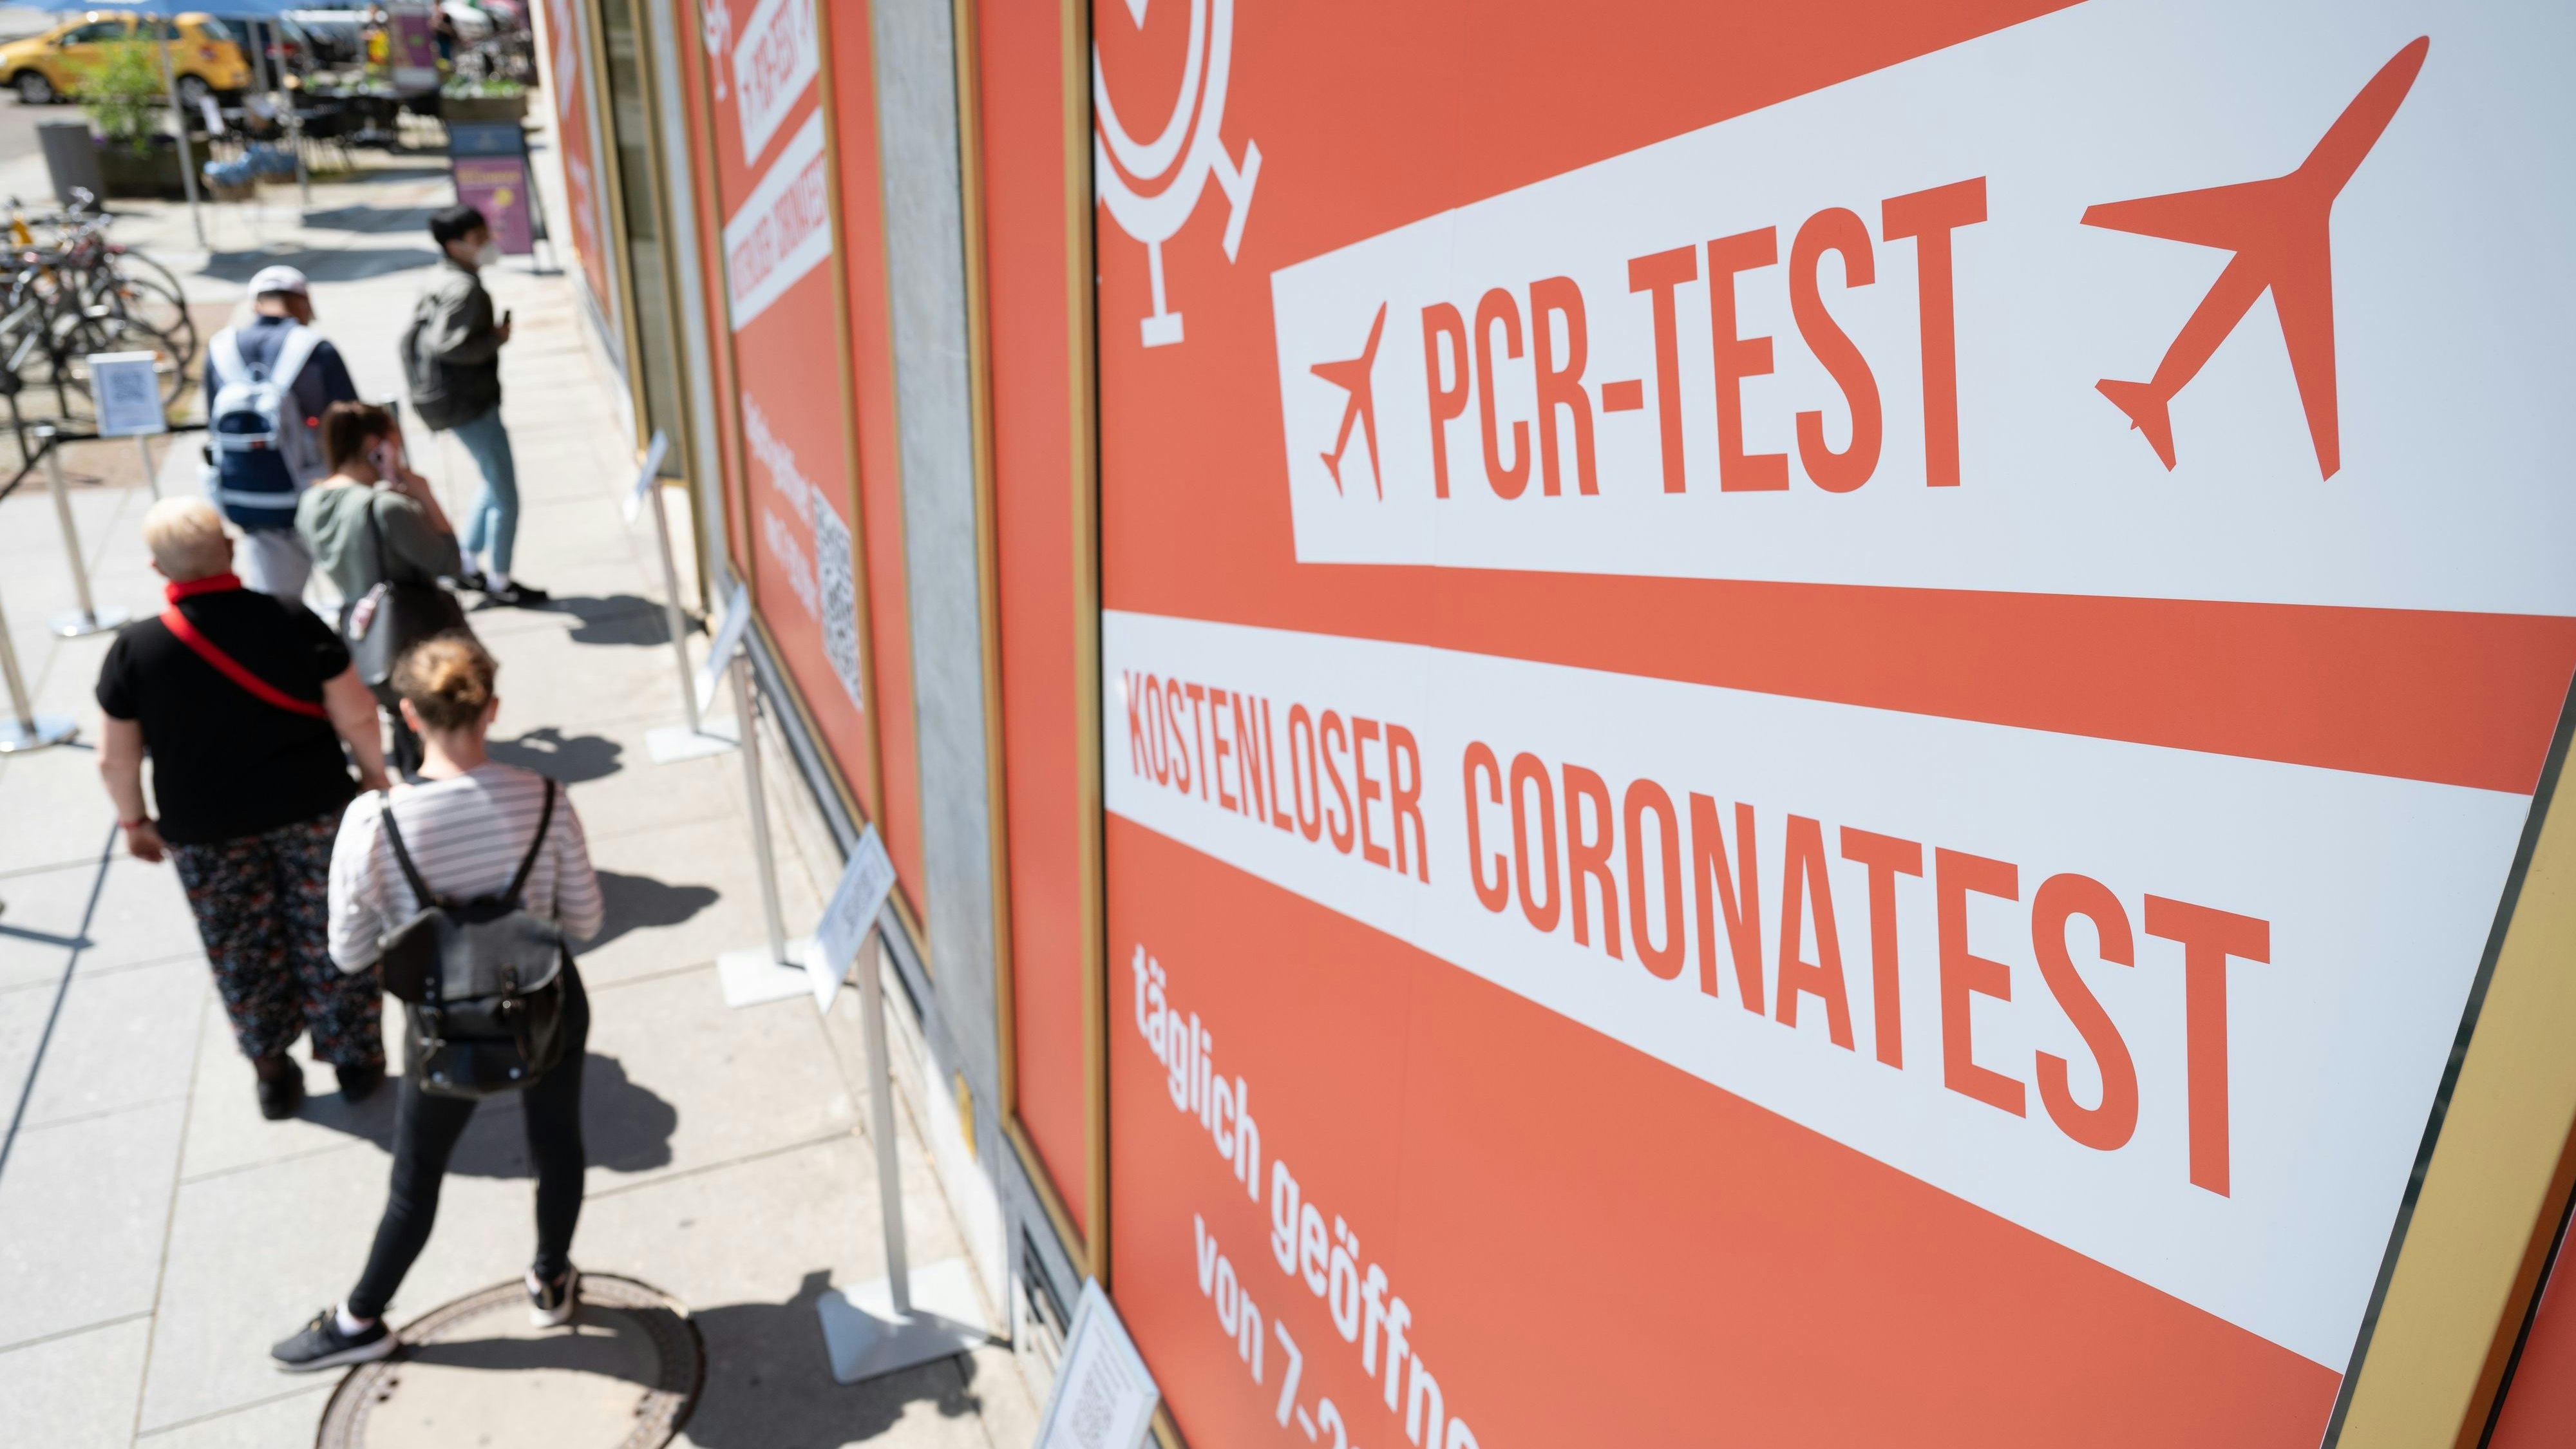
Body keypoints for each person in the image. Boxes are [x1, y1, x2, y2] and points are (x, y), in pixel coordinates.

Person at [270, 633, 602, 1370]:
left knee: (416, 1180)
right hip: (544, 1008)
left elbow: (349, 954)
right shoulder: (544, 799)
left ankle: (360, 1320)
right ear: (493, 709)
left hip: (443, 1026)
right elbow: (584, 920)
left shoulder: (373, 824)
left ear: (409, 717)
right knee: (558, 1148)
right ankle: (552, 1277)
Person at [95, 498, 392, 1119]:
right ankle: (355, 1058)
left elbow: (116, 759)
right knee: (332, 929)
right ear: (229, 549)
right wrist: (373, 774)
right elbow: (357, 711)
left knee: (239, 947)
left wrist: (134, 821)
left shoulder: (135, 650)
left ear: (158, 568)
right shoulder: (289, 617)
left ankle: (271, 1071)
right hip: (314, 808)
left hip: (206, 830)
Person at [298, 401, 464, 777]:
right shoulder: (387, 507)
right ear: (377, 444)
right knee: (430, 739)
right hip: (411, 635)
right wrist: (422, 493)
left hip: (363, 636)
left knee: (403, 723)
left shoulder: (311, 501)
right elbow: (450, 562)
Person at [404, 204, 547, 607]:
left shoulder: (440, 278)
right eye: (479, 239)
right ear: (455, 245)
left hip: (456, 404)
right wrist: (495, 340)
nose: (488, 245)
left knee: (491, 479)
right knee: (506, 494)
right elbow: (449, 346)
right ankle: (500, 581)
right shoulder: (464, 289)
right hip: (471, 405)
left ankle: (467, 563)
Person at [203, 265, 359, 603]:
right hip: (320, 498)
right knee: (357, 600)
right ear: (303, 302)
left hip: (253, 502)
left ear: (254, 303)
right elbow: (352, 425)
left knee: (278, 611)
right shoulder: (317, 350)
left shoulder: (219, 350)